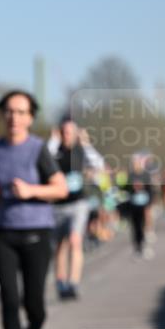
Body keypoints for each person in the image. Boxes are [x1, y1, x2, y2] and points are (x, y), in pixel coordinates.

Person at [0, 91, 68, 329]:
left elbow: (60, 189)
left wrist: (31, 191)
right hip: (1, 234)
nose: (13, 117)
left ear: (30, 117)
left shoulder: (38, 149)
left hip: (36, 234)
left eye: (20, 112)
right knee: (9, 300)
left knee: (35, 302)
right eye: (8, 111)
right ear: (2, 115)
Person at [47, 117, 104, 299]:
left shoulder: (81, 151)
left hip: (78, 204)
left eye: (70, 132)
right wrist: (53, 140)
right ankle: (61, 283)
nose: (67, 136)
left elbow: (98, 164)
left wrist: (86, 143)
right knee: (60, 246)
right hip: (58, 205)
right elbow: (43, 160)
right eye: (64, 132)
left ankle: (73, 283)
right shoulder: (55, 152)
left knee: (75, 240)